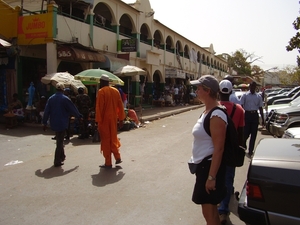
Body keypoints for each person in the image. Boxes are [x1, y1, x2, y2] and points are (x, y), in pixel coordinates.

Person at [189, 75, 227, 225]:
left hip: (209, 168)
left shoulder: (216, 114)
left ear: (207, 90)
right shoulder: (207, 112)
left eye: (199, 88)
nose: (196, 90)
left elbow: (219, 149)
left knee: (209, 213)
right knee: (211, 212)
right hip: (204, 167)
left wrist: (211, 177)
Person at [217, 80, 245, 224]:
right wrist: (241, 148)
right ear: (231, 91)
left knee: (215, 177)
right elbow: (241, 133)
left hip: (215, 149)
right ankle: (223, 209)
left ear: (219, 91)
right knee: (228, 180)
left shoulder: (214, 109)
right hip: (231, 151)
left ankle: (216, 204)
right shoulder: (239, 109)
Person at [42, 82, 82, 167]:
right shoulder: (65, 99)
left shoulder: (51, 98)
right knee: (59, 142)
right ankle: (57, 161)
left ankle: (62, 156)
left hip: (54, 122)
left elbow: (46, 111)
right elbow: (73, 109)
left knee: (59, 139)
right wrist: (79, 116)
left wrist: (44, 123)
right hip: (62, 122)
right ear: (63, 90)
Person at [95, 75, 126, 169]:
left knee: (106, 140)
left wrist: (97, 121)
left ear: (102, 82)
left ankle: (108, 162)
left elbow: (99, 108)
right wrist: (121, 119)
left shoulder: (101, 92)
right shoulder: (115, 91)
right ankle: (117, 156)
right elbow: (120, 106)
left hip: (104, 120)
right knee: (113, 138)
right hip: (113, 119)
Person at [240, 81, 264, 156]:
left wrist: (263, 119)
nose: (252, 88)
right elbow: (241, 106)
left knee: (254, 134)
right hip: (247, 115)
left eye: (254, 86)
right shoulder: (245, 95)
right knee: (246, 133)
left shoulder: (258, 96)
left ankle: (251, 150)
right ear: (249, 87)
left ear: (255, 87)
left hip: (254, 116)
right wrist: (242, 117)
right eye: (251, 86)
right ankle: (243, 146)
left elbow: (260, 108)